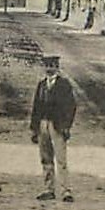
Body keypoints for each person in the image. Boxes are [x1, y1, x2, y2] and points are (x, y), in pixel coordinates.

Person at [29, 53, 76, 202]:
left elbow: (71, 107)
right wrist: (34, 128)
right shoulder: (41, 85)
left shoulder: (64, 85)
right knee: (46, 158)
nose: (49, 69)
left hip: (58, 125)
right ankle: (48, 189)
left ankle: (65, 191)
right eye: (47, 66)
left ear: (57, 67)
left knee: (61, 159)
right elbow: (36, 107)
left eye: (52, 66)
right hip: (43, 124)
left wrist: (66, 126)